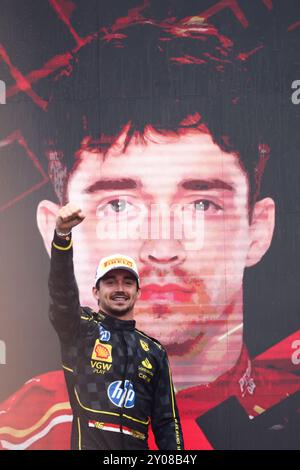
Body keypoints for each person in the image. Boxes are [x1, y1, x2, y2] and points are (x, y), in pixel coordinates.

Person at [1, 9, 300, 450]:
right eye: (117, 205)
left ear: (259, 228)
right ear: (55, 233)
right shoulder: (18, 435)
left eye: (202, 204)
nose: (162, 247)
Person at [48, 202, 183, 450]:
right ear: (96, 292)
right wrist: (62, 237)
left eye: (127, 282)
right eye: (110, 282)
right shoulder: (81, 329)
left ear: (138, 292)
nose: (120, 289)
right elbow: (62, 294)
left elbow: (167, 422)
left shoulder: (154, 351)